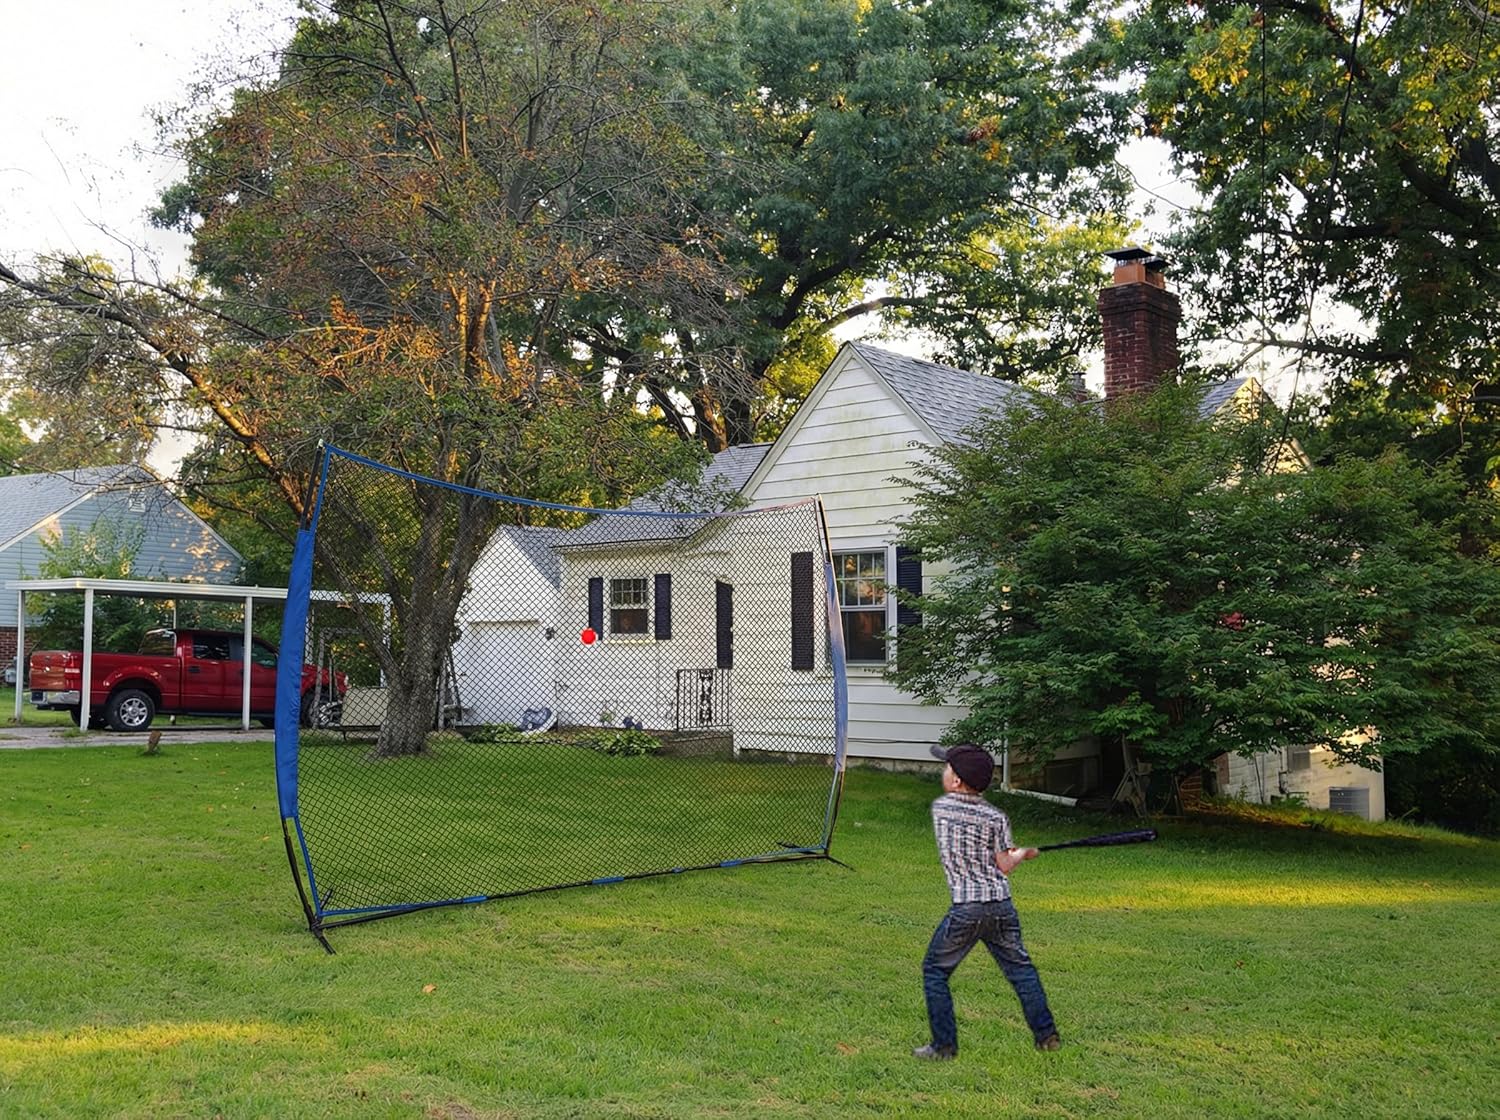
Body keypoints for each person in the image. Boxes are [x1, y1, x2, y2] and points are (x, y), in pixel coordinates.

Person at [913, 744, 1060, 1060]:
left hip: (966, 908)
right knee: (1021, 971)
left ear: (956, 782)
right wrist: (1021, 854)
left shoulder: (941, 809)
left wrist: (1015, 853)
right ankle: (1046, 1036)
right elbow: (1004, 865)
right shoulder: (996, 817)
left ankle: (944, 1046)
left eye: (947, 768)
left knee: (935, 971)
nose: (944, 771)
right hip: (1001, 905)